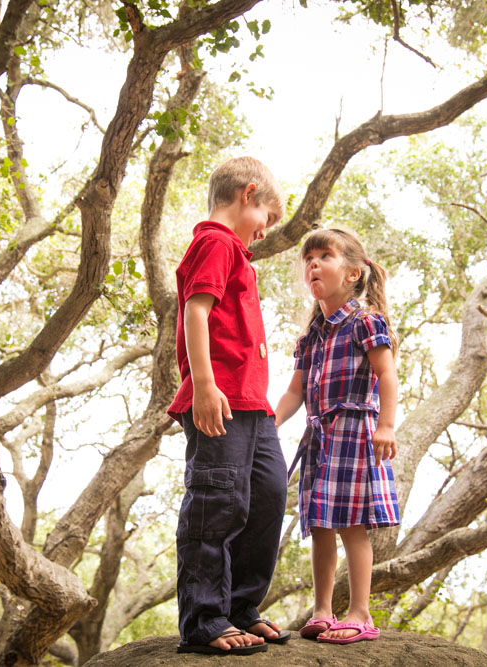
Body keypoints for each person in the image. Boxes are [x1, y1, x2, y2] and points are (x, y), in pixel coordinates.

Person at [168, 156, 290, 655]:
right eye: (267, 218)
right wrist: (203, 384)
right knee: (217, 503)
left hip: (253, 408)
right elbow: (196, 312)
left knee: (267, 495)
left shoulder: (235, 252)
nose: (264, 232)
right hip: (219, 399)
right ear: (248, 194)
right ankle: (203, 618)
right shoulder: (215, 242)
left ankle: (241, 607)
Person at [274, 228, 401, 645]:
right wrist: (269, 422)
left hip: (354, 431)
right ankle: (323, 610)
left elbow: (386, 374)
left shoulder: (366, 321)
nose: (312, 264)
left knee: (351, 526)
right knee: (320, 524)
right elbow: (295, 392)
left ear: (352, 274)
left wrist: (385, 425)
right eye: (307, 258)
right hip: (320, 436)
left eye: (324, 256)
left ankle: (360, 613)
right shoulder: (310, 337)